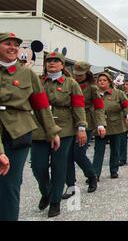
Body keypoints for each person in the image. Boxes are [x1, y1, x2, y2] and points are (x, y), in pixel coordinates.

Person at [0, 32, 61, 221]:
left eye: (16, 44)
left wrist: (52, 131)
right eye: (7, 43)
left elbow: (41, 105)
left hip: (18, 131)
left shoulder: (27, 73)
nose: (12, 47)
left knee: (9, 183)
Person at [31, 51, 87, 218]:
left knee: (59, 165)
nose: (52, 63)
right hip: (39, 129)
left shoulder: (71, 84)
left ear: (62, 65)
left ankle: (55, 201)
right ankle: (46, 191)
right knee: (37, 166)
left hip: (64, 129)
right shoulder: (38, 81)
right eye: (49, 61)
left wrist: (81, 128)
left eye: (56, 61)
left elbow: (78, 106)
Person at [63, 61, 106, 200]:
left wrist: (101, 124)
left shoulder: (93, 88)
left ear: (87, 73)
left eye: (81, 75)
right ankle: (70, 186)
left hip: (86, 122)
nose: (78, 76)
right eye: (76, 74)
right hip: (69, 122)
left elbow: (99, 107)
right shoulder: (69, 83)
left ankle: (92, 176)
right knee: (68, 155)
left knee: (78, 154)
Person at [92, 72, 128, 180]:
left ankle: (114, 170)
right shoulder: (95, 93)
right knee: (99, 150)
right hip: (100, 125)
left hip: (116, 124)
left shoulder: (118, 93)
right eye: (100, 80)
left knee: (115, 148)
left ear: (109, 82)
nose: (101, 82)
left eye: (104, 80)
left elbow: (126, 104)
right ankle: (95, 174)